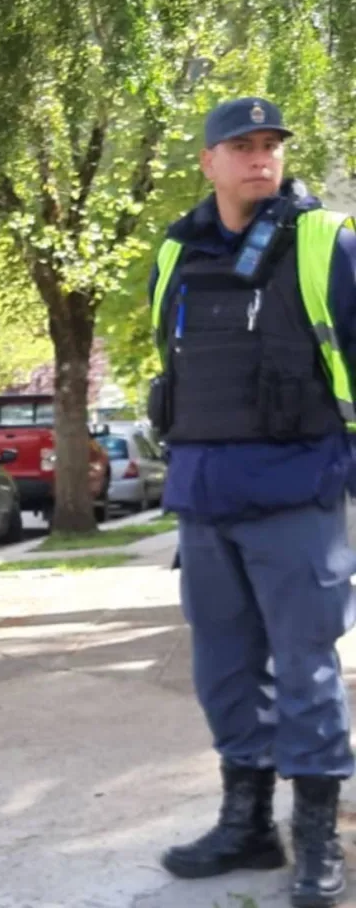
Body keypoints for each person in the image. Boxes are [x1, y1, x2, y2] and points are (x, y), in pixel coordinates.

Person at [147, 97, 356, 908]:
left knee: (305, 670)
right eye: (242, 146)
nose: (260, 158)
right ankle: (247, 823)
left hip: (298, 489)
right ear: (209, 161)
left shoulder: (324, 242)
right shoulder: (178, 248)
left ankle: (315, 840)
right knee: (224, 670)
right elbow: (177, 361)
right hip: (204, 495)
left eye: (270, 145)